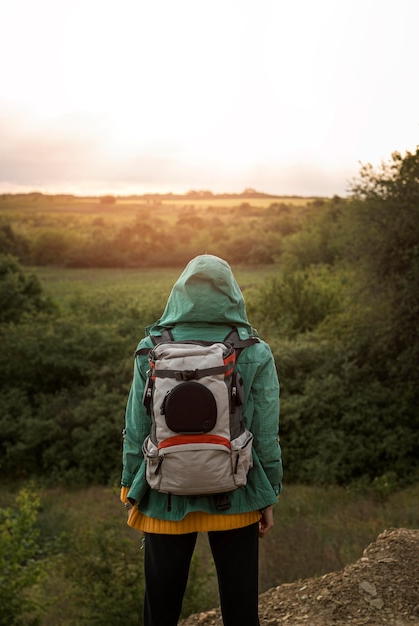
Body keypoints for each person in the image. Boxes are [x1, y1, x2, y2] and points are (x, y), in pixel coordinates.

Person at [121, 254, 282, 626]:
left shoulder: (150, 349)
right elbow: (266, 434)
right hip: (237, 492)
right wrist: (267, 494)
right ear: (233, 295)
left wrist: (131, 485)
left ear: (179, 294)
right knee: (241, 613)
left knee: (159, 613)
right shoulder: (254, 351)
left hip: (164, 494)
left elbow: (136, 423)